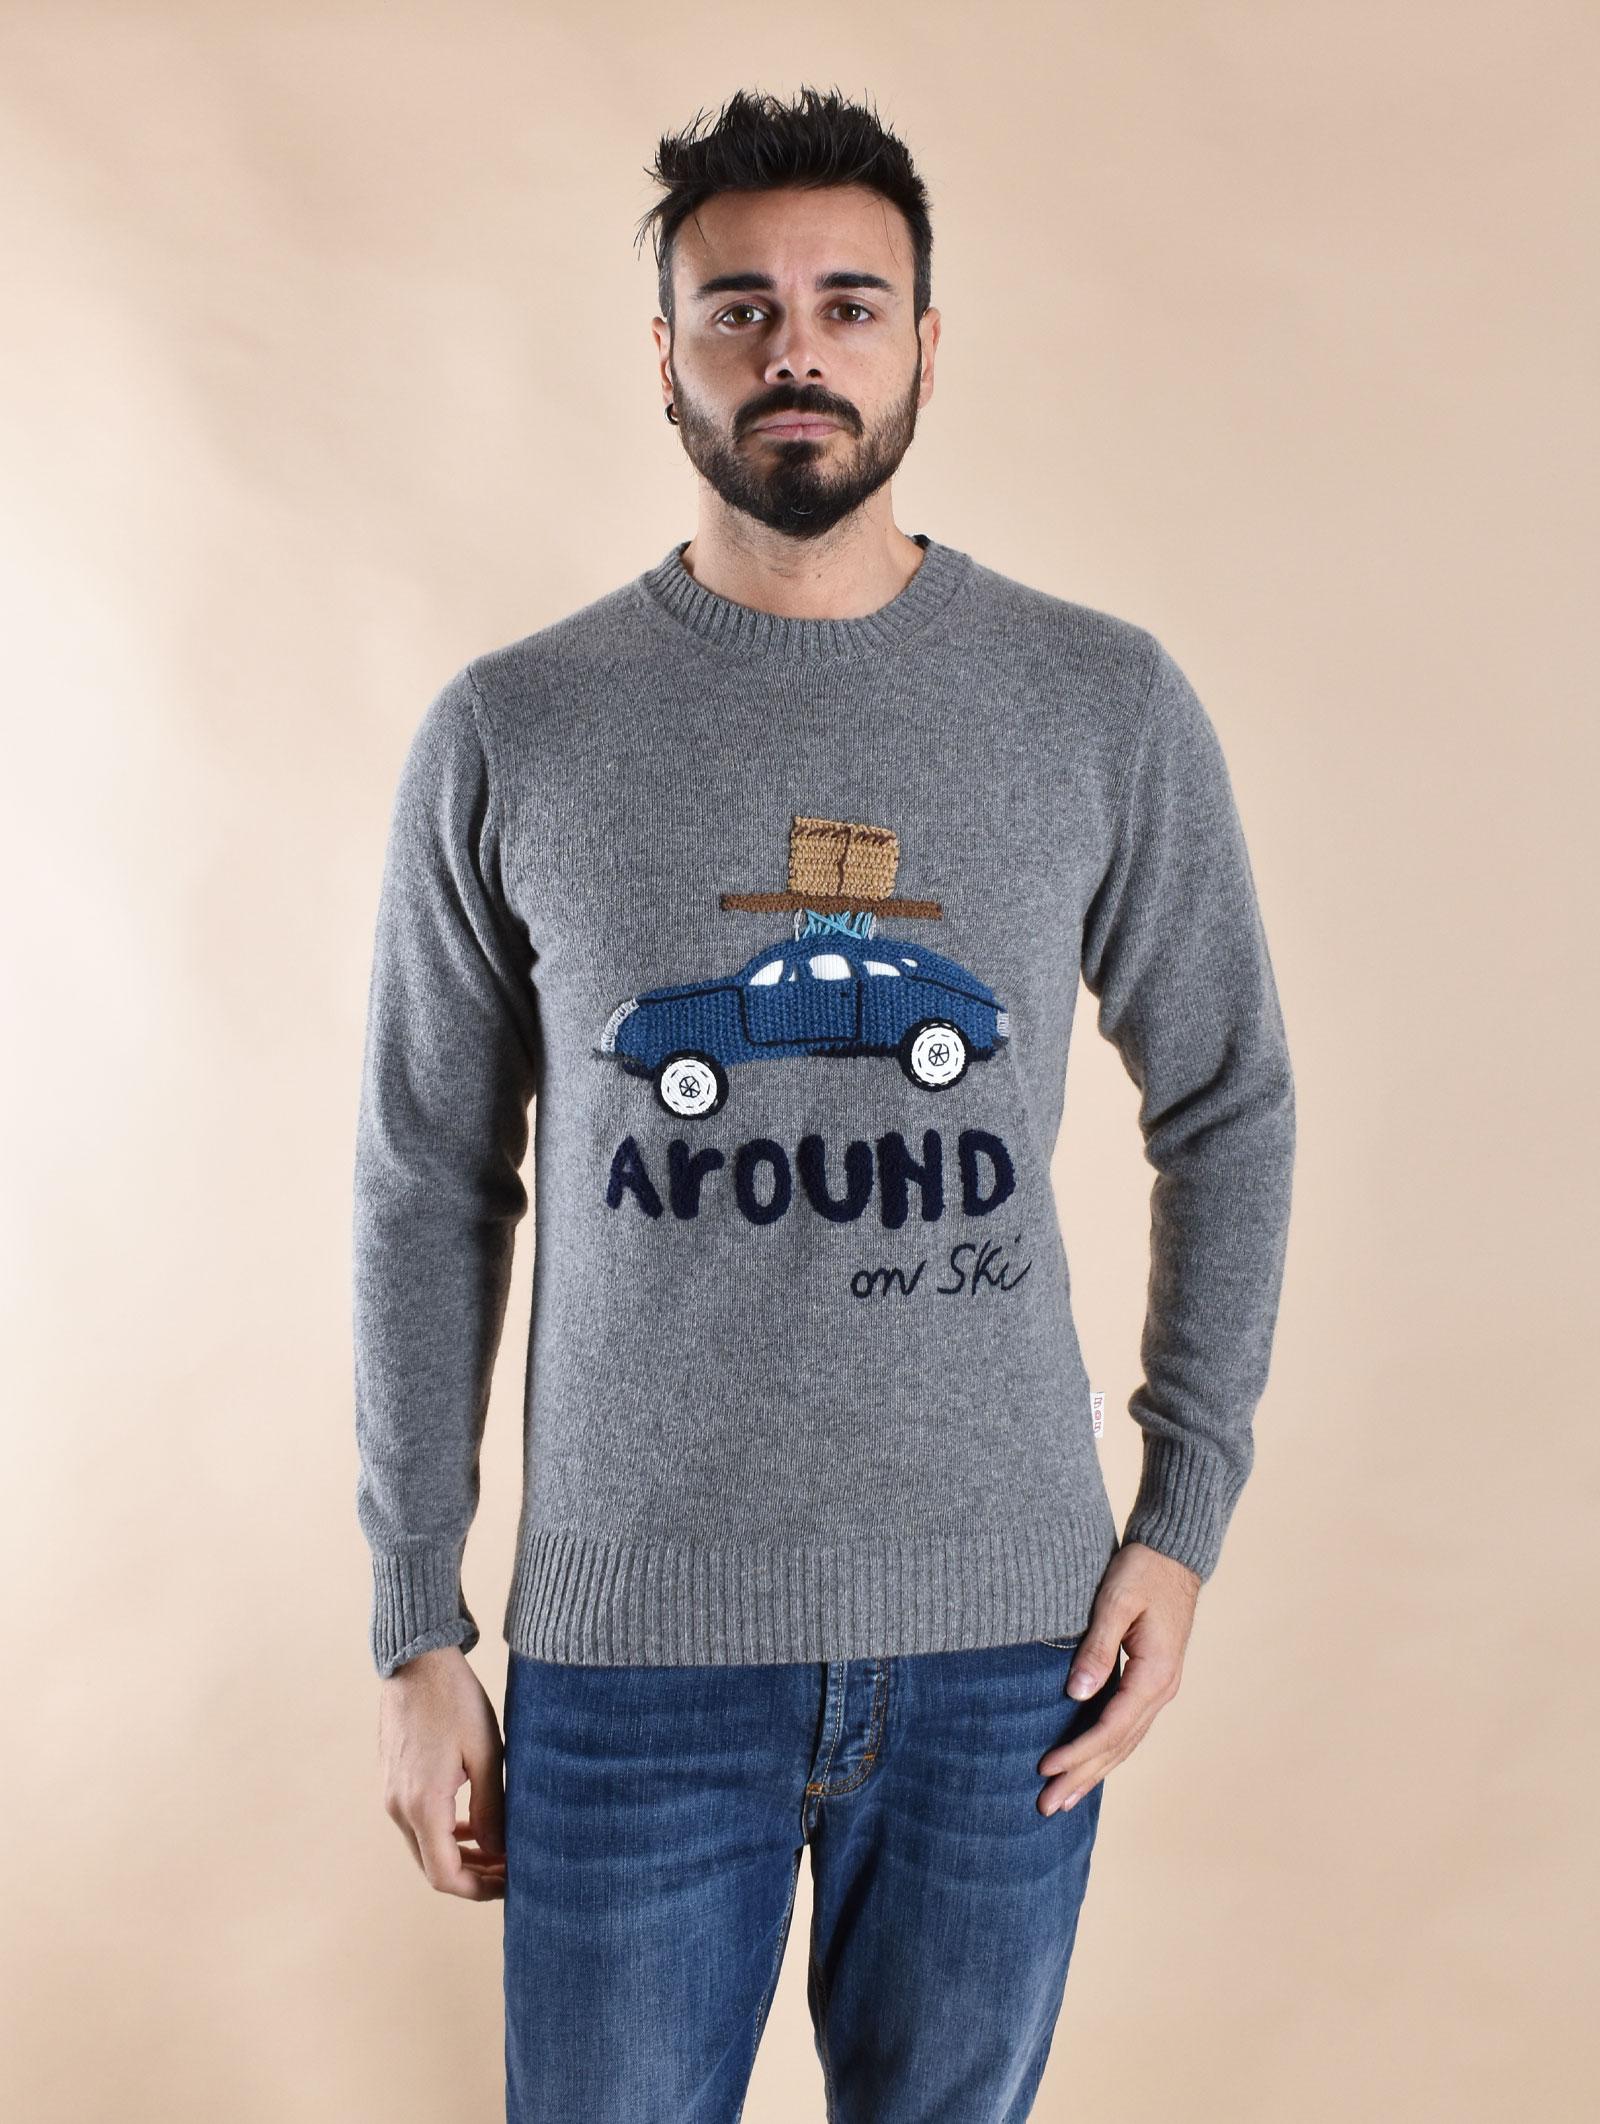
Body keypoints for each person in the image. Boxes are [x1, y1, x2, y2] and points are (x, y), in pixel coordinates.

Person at [352, 84, 1297, 2124]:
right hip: (627, 1664)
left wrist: (1183, 1515)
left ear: (924, 344)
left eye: (849, 306)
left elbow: (1227, 1098)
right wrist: (415, 1624)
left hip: (1004, 1653)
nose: (797, 350)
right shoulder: (516, 729)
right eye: (741, 309)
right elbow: (428, 1181)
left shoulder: (1097, 702)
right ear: (666, 355)